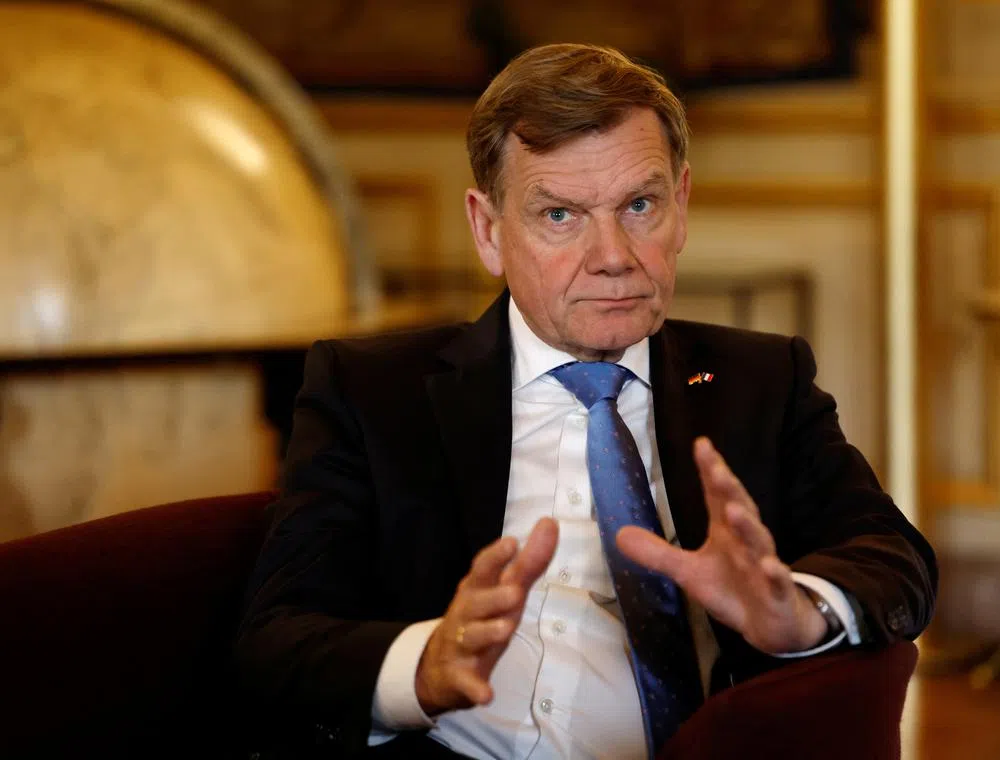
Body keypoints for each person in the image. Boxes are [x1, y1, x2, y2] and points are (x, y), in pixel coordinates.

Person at [234, 43, 937, 760]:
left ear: (681, 204)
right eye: (561, 215)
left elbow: (897, 560)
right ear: (488, 230)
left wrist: (800, 611)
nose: (613, 255)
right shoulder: (371, 391)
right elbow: (276, 635)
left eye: (640, 205)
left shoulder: (762, 381)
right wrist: (423, 664)